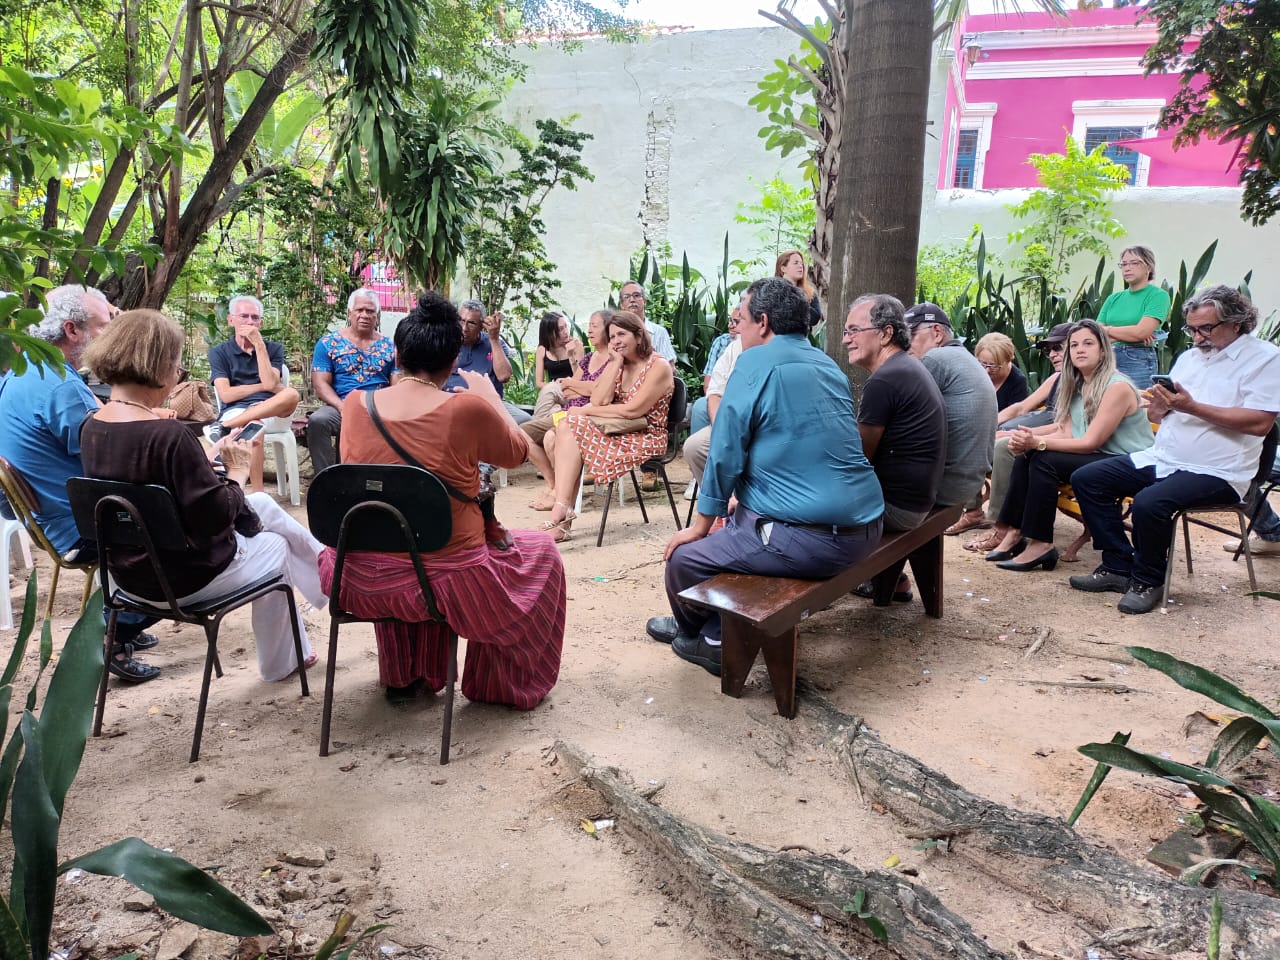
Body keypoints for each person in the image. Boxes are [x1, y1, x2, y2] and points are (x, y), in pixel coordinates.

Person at [317, 291, 564, 705]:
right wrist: (489, 399)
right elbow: (519, 453)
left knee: (396, 532)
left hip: (354, 574)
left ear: (395, 355)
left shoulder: (356, 405)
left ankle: (406, 676)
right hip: (450, 580)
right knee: (541, 552)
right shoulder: (465, 408)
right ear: (452, 363)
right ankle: (499, 688)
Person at [649, 278, 884, 677]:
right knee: (739, 524)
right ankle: (712, 625)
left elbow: (724, 452)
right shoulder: (827, 364)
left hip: (813, 541)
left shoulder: (754, 362)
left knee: (684, 561)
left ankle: (707, 637)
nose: (735, 329)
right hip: (867, 529)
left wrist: (699, 526)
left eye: (739, 320)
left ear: (763, 322)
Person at [80, 309, 324, 681]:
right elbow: (215, 516)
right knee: (275, 545)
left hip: (126, 578)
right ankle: (288, 652)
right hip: (184, 580)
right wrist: (238, 472)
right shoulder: (167, 436)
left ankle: (327, 575)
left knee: (261, 505)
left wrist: (204, 462)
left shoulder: (91, 426)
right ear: (159, 365)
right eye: (177, 368)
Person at [1069, 285, 1280, 614]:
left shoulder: (1265, 358)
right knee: (1088, 479)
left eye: (1206, 328)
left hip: (1218, 471)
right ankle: (1118, 566)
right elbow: (1161, 414)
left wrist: (1192, 407)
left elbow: (1260, 423)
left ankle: (1148, 581)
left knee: (1149, 502)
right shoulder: (1190, 359)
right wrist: (1158, 409)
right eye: (1192, 329)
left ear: (1236, 323)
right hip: (1165, 458)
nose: (1198, 337)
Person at [0, 285, 161, 680]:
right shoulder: (59, 384)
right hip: (79, 527)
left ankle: (125, 611)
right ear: (72, 331)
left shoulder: (24, 371)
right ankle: (115, 628)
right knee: (182, 525)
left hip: (44, 519)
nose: (114, 333)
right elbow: (111, 453)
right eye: (107, 325)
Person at [986, 320, 1154, 572]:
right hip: (1102, 456)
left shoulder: (1116, 386)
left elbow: (1090, 442)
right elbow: (1065, 431)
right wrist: (1028, 438)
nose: (1079, 350)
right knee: (1029, 454)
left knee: (1043, 458)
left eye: (1088, 343)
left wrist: (1038, 442)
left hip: (1130, 461)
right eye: (1073, 345)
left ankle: (1040, 544)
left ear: (1103, 350)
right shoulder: (1076, 384)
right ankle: (1015, 531)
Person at [538, 311, 675, 542]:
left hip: (646, 435)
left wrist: (585, 410)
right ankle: (562, 510)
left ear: (639, 336)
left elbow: (632, 410)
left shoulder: (657, 366)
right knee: (568, 427)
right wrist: (615, 362)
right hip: (619, 430)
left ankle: (561, 517)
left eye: (622, 334)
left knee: (572, 425)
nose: (616, 341)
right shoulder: (621, 363)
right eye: (612, 337)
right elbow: (601, 399)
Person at [846, 294, 946, 601]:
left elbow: (858, 460)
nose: (846, 339)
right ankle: (894, 579)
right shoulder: (906, 368)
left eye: (853, 331)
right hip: (917, 501)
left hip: (897, 510)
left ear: (886, 333)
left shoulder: (886, 381)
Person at [965, 325, 1071, 555]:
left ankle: (999, 526)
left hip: (1055, 439)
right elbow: (1023, 406)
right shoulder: (1056, 378)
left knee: (1005, 446)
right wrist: (989, 424)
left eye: (1058, 348)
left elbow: (1067, 426)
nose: (1052, 354)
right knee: (979, 438)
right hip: (1040, 427)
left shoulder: (1081, 383)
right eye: (1050, 349)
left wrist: (1016, 434)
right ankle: (972, 511)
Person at [905, 302, 997, 533]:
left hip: (945, 486)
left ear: (936, 332)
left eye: (910, 335)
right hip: (968, 483)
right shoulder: (962, 357)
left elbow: (901, 419)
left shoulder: (935, 359)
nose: (905, 345)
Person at [523, 309, 616, 510]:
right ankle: (553, 484)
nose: (588, 330)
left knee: (549, 437)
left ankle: (558, 493)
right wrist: (582, 387)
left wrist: (579, 386)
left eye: (594, 326)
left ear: (608, 329)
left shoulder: (613, 361)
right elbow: (569, 388)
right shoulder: (588, 358)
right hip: (567, 409)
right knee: (520, 433)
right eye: (589, 325)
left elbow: (597, 392)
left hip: (584, 415)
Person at [208, 295, 301, 492]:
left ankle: (223, 427)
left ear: (261, 322)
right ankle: (259, 494)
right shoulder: (219, 352)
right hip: (237, 411)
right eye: (244, 316)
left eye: (255, 317)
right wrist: (264, 387)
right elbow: (226, 395)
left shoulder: (273, 349)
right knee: (255, 427)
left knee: (291, 394)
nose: (250, 322)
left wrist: (259, 345)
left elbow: (268, 381)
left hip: (272, 411)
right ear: (231, 320)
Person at [307, 288, 397, 475]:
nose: (364, 315)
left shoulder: (391, 347)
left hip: (377, 408)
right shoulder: (328, 343)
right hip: (340, 405)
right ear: (350, 313)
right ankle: (325, 481)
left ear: (377, 316)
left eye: (370, 311)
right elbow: (320, 384)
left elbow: (397, 384)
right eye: (359, 310)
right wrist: (342, 407)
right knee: (318, 421)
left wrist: (384, 407)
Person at [683, 303, 745, 486]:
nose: (732, 325)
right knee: (701, 406)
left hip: (744, 414)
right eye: (730, 321)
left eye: (737, 321)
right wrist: (721, 426)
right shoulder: (724, 343)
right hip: (723, 404)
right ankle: (702, 478)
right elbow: (711, 385)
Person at [444, 299, 532, 426]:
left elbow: (504, 376)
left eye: (471, 323)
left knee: (525, 420)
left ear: (482, 326)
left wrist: (494, 339)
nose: (464, 328)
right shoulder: (447, 342)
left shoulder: (495, 343)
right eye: (462, 321)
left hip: (490, 403)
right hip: (454, 400)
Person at [1096, 245, 1170, 391]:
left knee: (1137, 408)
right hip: (1107, 358)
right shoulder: (1113, 298)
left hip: (1137, 358)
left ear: (1148, 267)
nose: (1127, 268)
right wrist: (1130, 334)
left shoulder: (1158, 296)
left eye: (1134, 263)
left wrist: (1109, 331)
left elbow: (1141, 332)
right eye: (1124, 264)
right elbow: (1095, 333)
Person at [617, 280, 677, 365]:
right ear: (621, 304)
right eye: (626, 297)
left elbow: (670, 368)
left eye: (636, 295)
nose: (632, 300)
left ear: (644, 301)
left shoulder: (659, 332)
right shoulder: (615, 333)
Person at [975, 332, 1028, 410]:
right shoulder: (973, 371)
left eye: (994, 366)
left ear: (1008, 361)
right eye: (983, 364)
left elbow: (1015, 415)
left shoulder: (1017, 381)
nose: (987, 371)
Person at [775, 249, 823, 329]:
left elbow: (815, 318)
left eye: (801, 263)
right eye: (795, 263)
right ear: (783, 268)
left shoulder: (809, 292)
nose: (800, 266)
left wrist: (796, 298)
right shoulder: (773, 290)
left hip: (801, 338)